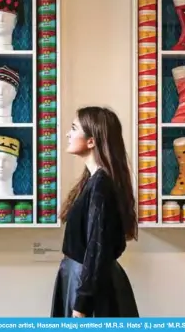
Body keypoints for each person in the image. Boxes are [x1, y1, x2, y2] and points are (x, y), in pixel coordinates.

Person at [50, 106, 140, 318]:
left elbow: (96, 248)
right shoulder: (94, 181)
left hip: (87, 284)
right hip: (84, 279)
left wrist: (82, 303)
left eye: (73, 128)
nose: (67, 134)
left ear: (91, 141)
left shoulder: (100, 184)